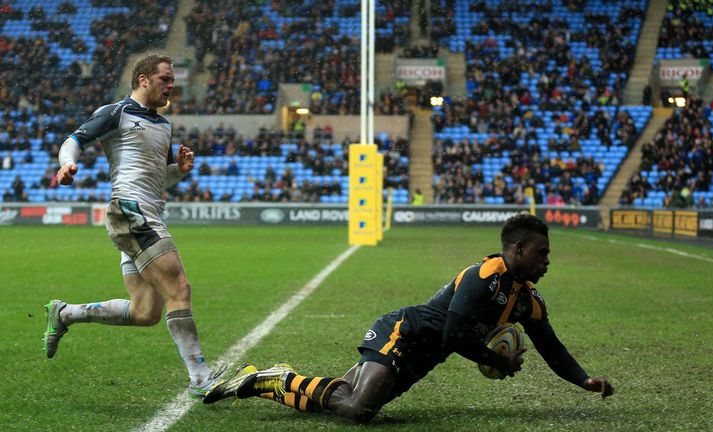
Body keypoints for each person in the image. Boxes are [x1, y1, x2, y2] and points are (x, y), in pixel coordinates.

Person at [202, 214, 614, 421]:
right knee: (359, 408)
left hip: (424, 357)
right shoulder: (483, 275)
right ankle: (277, 377)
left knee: (339, 399)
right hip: (404, 334)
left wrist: (584, 380)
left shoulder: (528, 300)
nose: (547, 261)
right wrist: (496, 360)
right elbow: (453, 333)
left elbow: (551, 346)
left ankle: (267, 380)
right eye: (542, 253)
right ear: (519, 249)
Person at [43, 54, 222, 397]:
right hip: (130, 210)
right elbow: (74, 140)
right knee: (179, 288)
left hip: (147, 210)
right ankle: (201, 378)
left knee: (145, 312)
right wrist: (67, 165)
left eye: (172, 81)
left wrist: (179, 170)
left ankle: (65, 313)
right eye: (165, 80)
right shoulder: (117, 112)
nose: (171, 86)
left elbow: (157, 180)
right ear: (143, 79)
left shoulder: (165, 126)